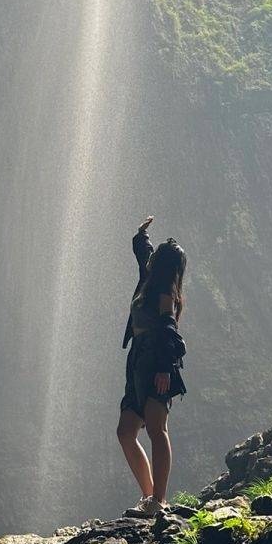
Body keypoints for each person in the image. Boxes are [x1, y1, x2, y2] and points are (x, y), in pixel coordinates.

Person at [116, 215, 187, 515]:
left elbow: (169, 329)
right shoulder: (148, 278)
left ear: (165, 265)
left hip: (157, 360)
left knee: (157, 429)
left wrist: (163, 369)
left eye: (158, 252)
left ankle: (159, 501)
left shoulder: (163, 293)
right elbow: (142, 251)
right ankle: (148, 497)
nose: (153, 253)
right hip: (137, 360)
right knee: (126, 430)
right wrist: (141, 234)